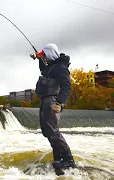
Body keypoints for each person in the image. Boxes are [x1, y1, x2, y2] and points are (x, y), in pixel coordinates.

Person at [34, 44, 76, 172]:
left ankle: (68, 161)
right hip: (45, 101)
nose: (45, 58)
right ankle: (58, 159)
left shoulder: (60, 68)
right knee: (48, 132)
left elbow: (66, 86)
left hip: (52, 102)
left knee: (53, 132)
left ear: (51, 53)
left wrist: (59, 102)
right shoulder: (52, 67)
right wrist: (39, 59)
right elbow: (44, 71)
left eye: (45, 55)